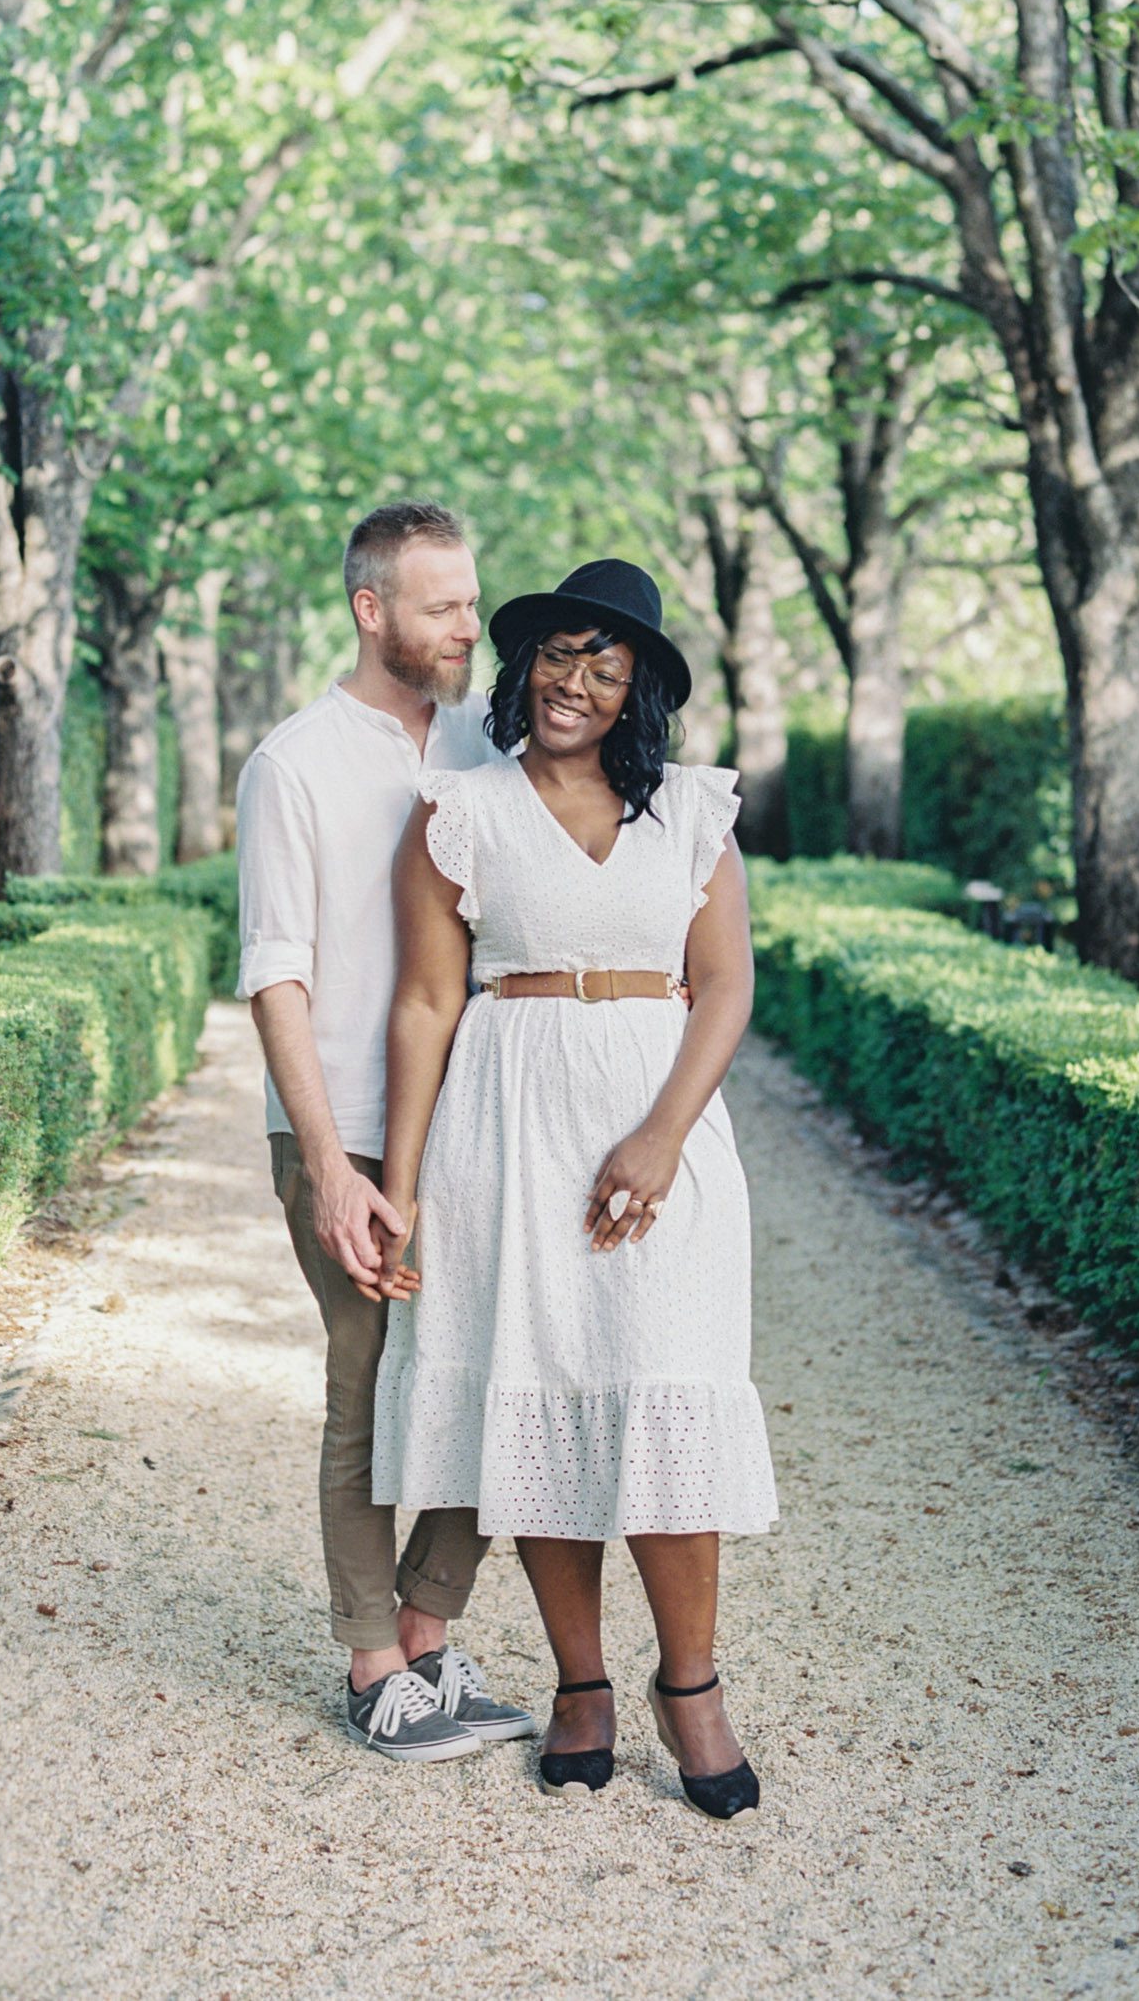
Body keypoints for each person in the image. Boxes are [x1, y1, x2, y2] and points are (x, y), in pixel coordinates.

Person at [373, 558, 778, 1819]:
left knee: (666, 1399)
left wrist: (663, 1133)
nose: (577, 682)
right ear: (526, 661)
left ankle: (693, 1684)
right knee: (540, 1398)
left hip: (659, 1124)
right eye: (560, 653)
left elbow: (728, 987)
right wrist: (401, 1189)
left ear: (638, 691)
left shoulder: (692, 815)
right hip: (505, 1124)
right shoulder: (461, 810)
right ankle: (582, 1683)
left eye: (607, 666)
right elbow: (429, 1001)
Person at [235, 501, 534, 1762]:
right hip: (346, 1127)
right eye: (444, 605)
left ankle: (427, 1629)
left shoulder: (494, 743)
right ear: (373, 610)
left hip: (482, 1120)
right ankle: (370, 1664)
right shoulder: (293, 764)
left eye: (471, 600)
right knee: (364, 1386)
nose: (471, 624)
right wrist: (325, 1168)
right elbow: (276, 975)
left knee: (487, 1376)